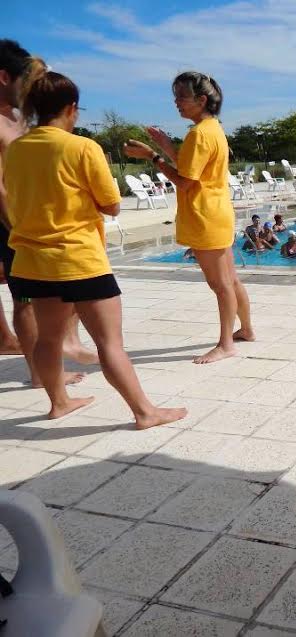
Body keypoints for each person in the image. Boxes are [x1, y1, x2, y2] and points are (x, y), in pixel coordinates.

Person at [4, 69, 186, 427]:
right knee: (109, 343)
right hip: (78, 259)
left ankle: (59, 403)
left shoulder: (16, 150)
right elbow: (112, 205)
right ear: (71, 108)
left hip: (32, 261)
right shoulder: (82, 147)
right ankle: (145, 412)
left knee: (48, 339)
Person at [124, 71, 254, 364]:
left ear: (201, 100)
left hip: (205, 215)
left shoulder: (198, 134)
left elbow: (184, 182)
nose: (176, 102)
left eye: (182, 97)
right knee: (230, 280)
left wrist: (153, 157)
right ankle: (246, 329)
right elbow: (191, 167)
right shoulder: (212, 128)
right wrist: (166, 146)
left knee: (221, 284)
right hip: (216, 211)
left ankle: (226, 344)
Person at [0, 41, 98, 381]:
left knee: (54, 293)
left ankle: (56, 357)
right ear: (4, 77)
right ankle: (40, 374)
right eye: (26, 81)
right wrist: (20, 230)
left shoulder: (16, 118)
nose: (33, 89)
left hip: (31, 224)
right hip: (13, 226)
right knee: (25, 301)